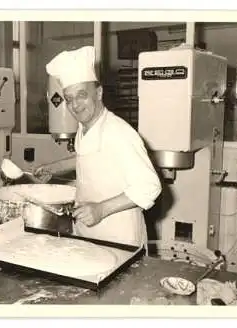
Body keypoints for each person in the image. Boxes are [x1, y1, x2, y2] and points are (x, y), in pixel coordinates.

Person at [34, 46, 162, 248]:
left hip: (119, 240)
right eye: (69, 99)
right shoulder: (84, 127)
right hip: (88, 234)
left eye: (82, 95)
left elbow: (149, 186)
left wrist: (101, 209)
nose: (75, 105)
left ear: (99, 93)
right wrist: (54, 168)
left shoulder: (118, 132)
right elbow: (91, 158)